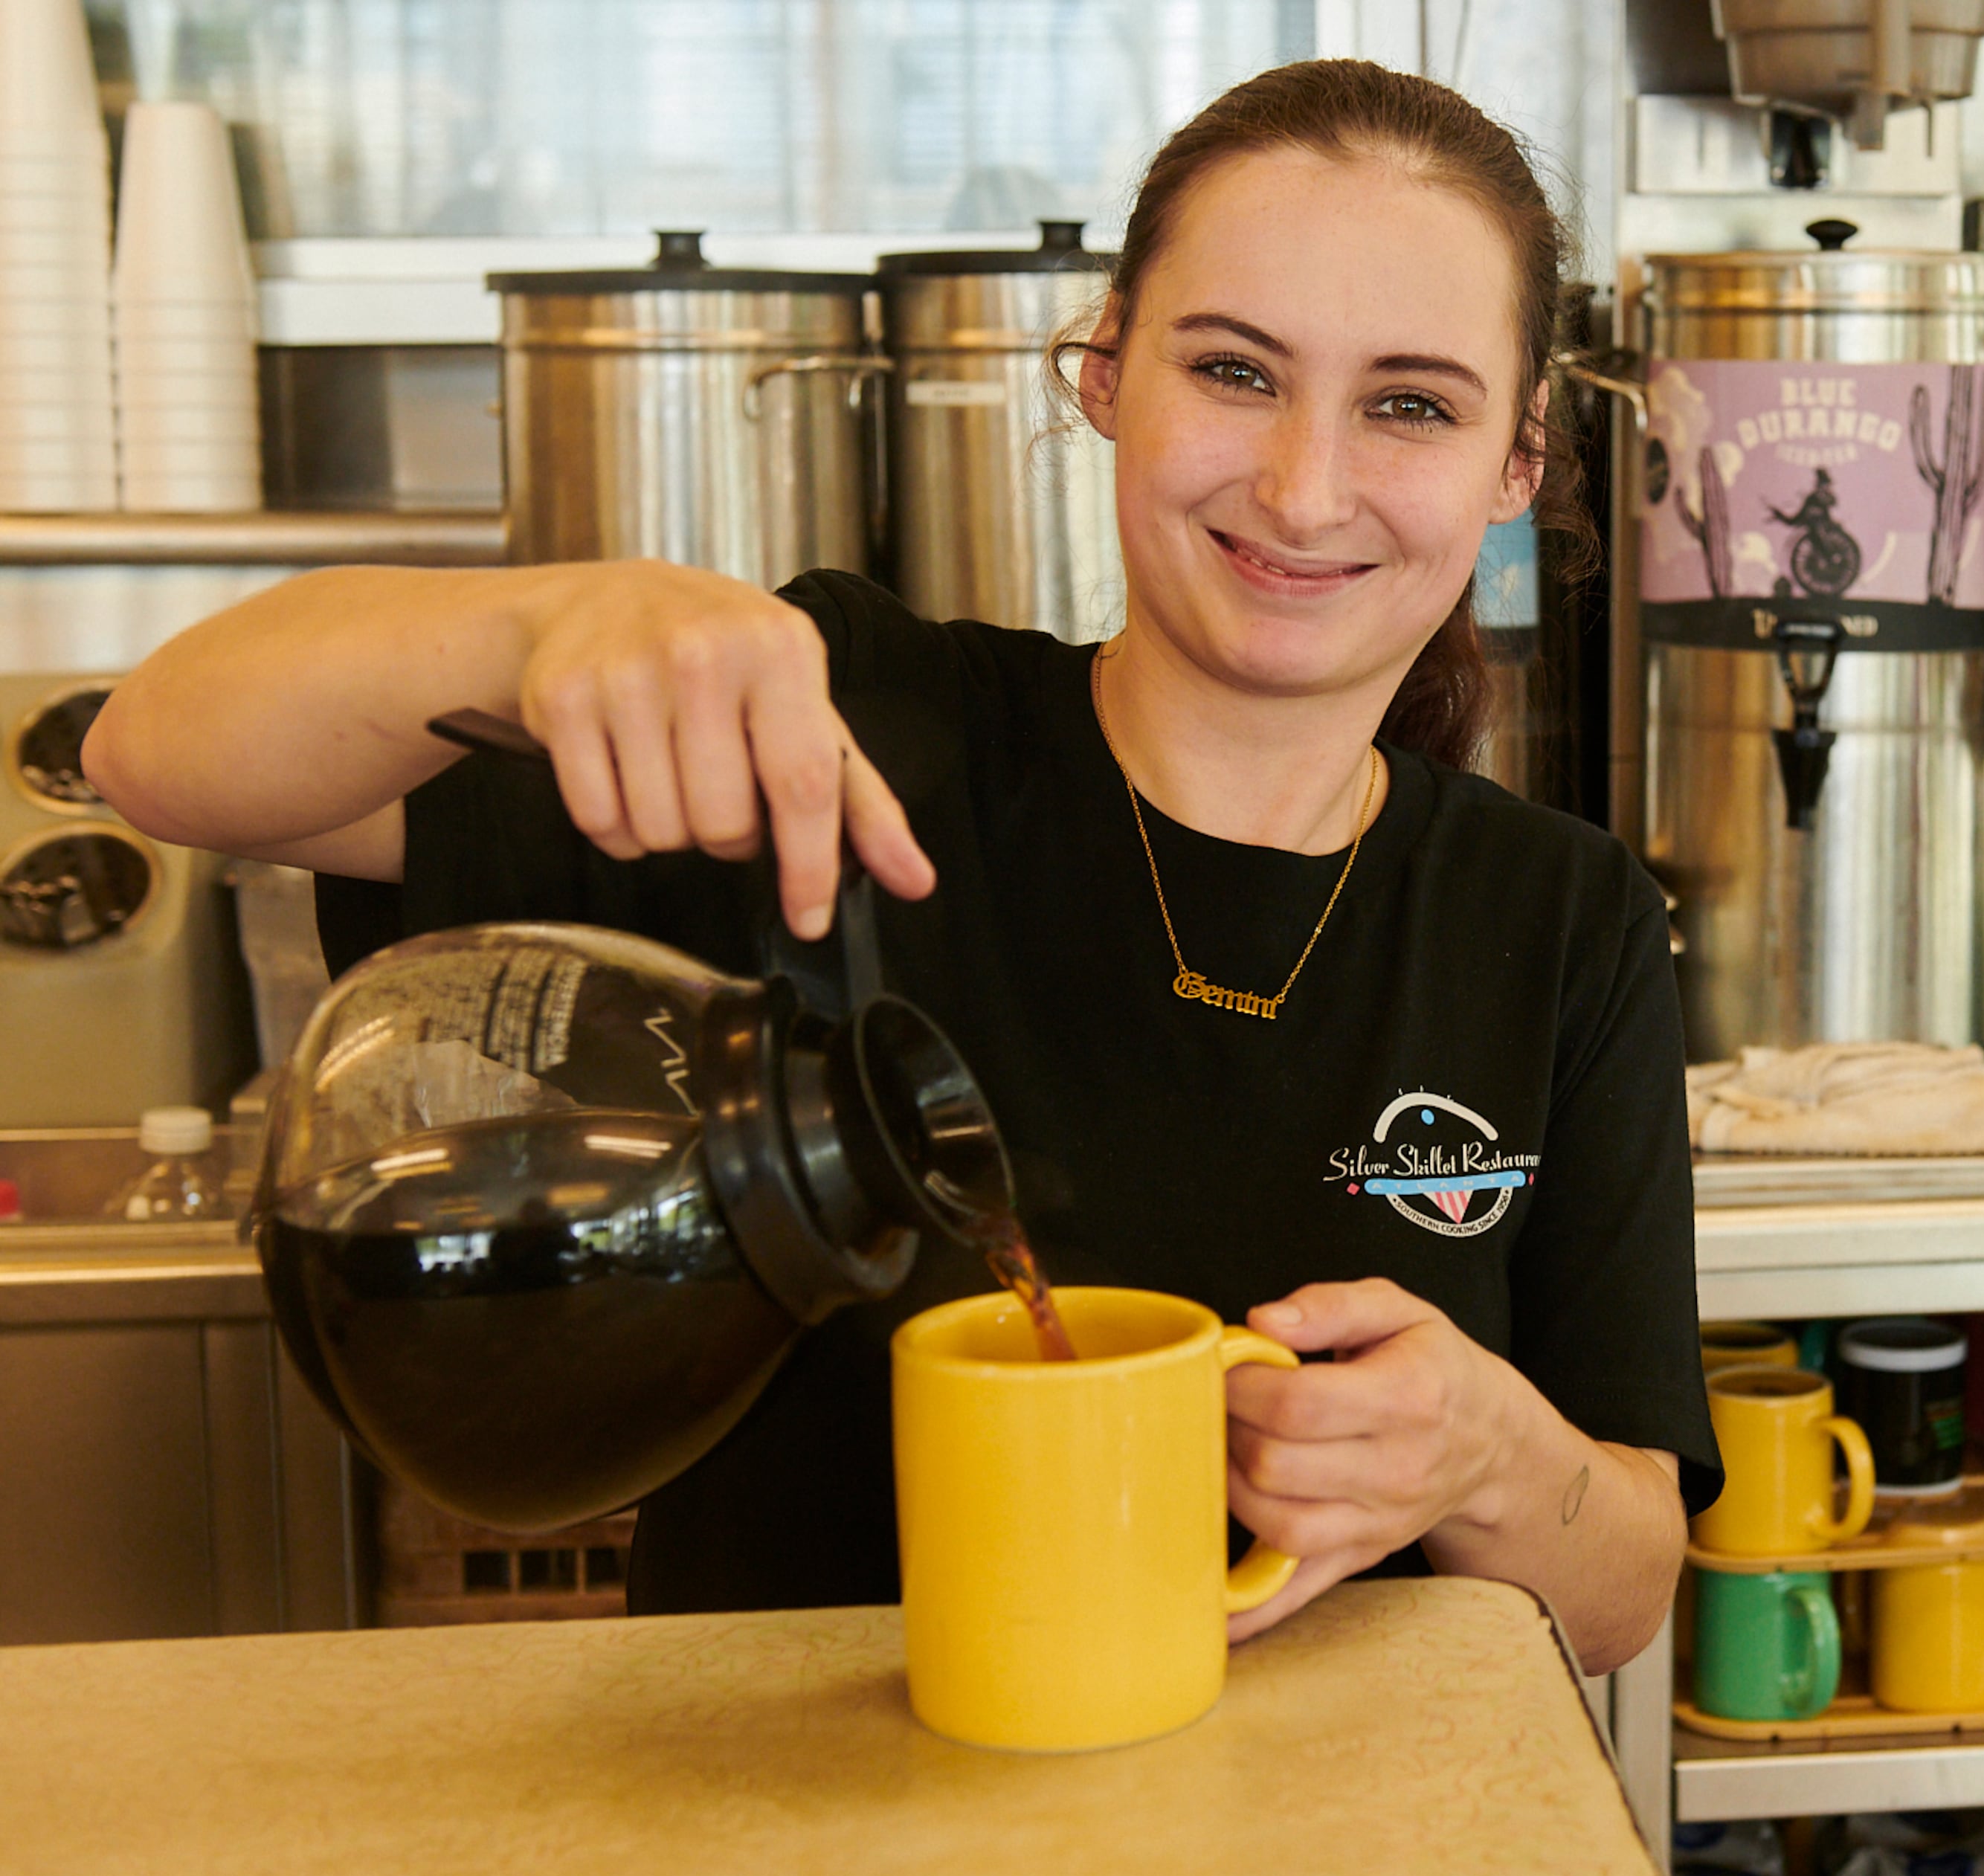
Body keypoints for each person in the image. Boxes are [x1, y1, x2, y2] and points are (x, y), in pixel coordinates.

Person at [87, 59, 1716, 1675]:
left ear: (1515, 463)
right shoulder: (840, 737)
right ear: (1104, 373)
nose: (1304, 485)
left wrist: (1493, 1453)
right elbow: (155, 753)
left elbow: (1626, 1587)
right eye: (1234, 371)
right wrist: (533, 624)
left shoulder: (1559, 915)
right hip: (790, 1825)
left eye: (1411, 403)